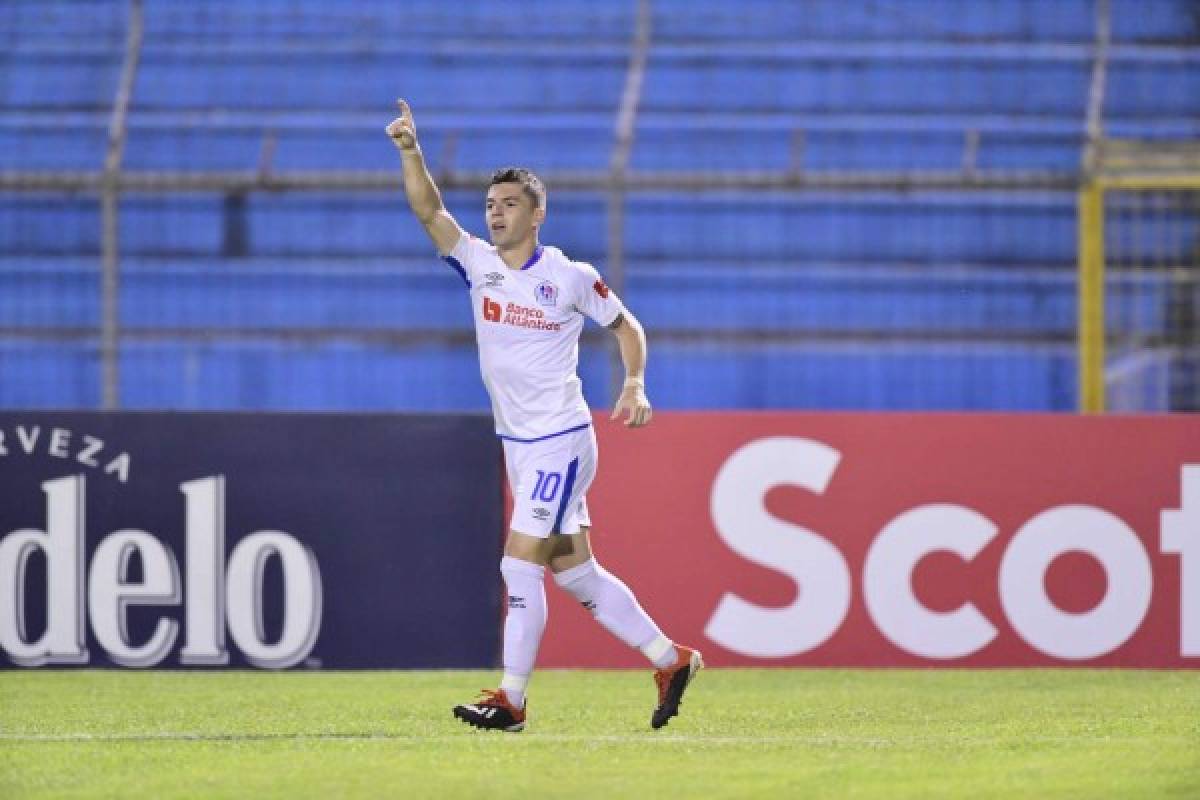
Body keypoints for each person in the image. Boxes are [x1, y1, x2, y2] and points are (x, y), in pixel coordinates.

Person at [386, 99, 702, 732]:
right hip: (520, 443)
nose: (495, 213)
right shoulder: (476, 265)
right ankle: (671, 659)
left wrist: (635, 383)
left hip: (561, 436)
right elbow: (428, 210)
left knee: (516, 564)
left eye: (508, 204)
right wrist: (411, 152)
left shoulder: (568, 276)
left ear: (537, 214)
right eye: (491, 205)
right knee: (574, 571)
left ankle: (512, 698)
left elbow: (627, 325)